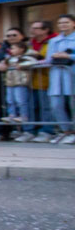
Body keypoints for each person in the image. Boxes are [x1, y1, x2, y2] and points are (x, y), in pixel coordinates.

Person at [45, 14, 75, 144]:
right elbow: (48, 59)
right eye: (60, 23)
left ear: (73, 23)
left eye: (66, 22)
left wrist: (69, 56)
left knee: (73, 105)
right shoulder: (53, 41)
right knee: (56, 105)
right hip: (57, 76)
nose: (63, 25)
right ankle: (66, 131)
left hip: (72, 74)